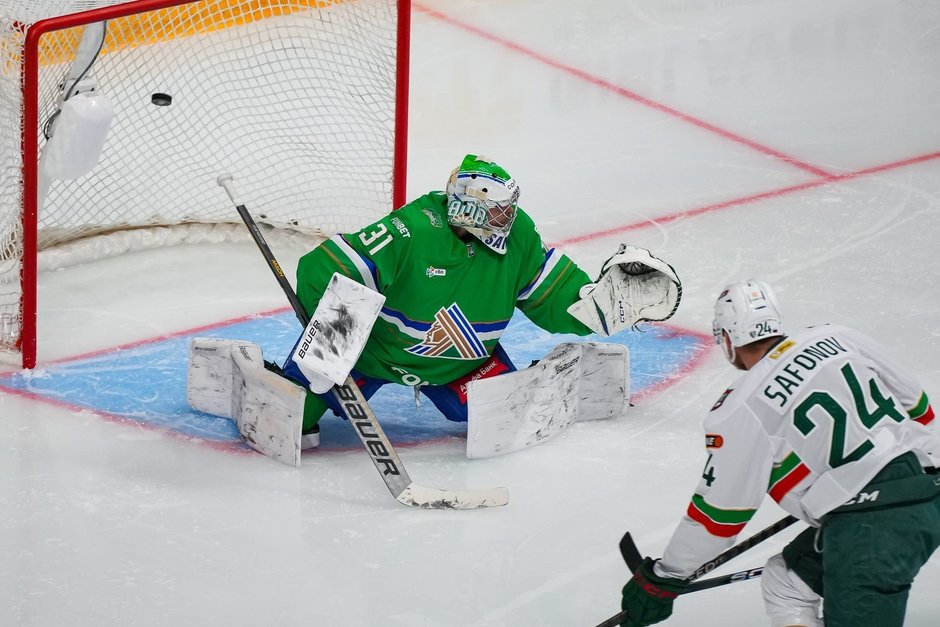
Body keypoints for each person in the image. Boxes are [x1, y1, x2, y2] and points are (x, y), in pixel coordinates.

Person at [279, 154, 681, 448]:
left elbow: (549, 293)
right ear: (467, 207)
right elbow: (325, 268)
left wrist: (598, 304)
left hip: (461, 365)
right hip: (370, 356)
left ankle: (545, 377)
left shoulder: (518, 237)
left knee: (507, 418)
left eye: (509, 209)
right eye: (499, 211)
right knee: (291, 419)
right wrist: (330, 347)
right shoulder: (412, 230)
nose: (509, 218)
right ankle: (289, 382)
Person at [619, 279, 940, 627]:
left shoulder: (740, 409)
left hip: (871, 527)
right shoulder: (836, 336)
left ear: (727, 338)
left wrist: (665, 577)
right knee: (787, 581)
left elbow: (719, 517)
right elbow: (920, 410)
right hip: (930, 485)